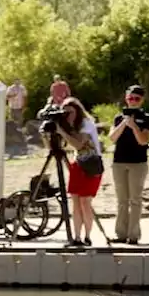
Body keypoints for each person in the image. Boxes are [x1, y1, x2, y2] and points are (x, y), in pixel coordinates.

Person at [52, 97, 102, 246]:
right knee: (75, 201)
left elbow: (79, 145)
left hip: (91, 164)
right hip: (77, 164)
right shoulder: (67, 125)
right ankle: (77, 237)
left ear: (78, 111)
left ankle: (87, 236)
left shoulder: (86, 124)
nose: (68, 115)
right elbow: (55, 147)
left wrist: (61, 131)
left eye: (71, 112)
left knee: (85, 202)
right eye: (65, 113)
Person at [107, 85, 149, 244]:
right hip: (119, 162)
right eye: (130, 98)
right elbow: (112, 138)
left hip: (138, 163)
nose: (133, 101)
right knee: (122, 200)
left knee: (135, 199)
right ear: (126, 99)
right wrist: (124, 123)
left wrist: (134, 126)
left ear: (142, 100)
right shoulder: (119, 118)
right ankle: (121, 233)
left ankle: (133, 235)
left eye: (136, 99)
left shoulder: (146, 117)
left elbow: (143, 140)